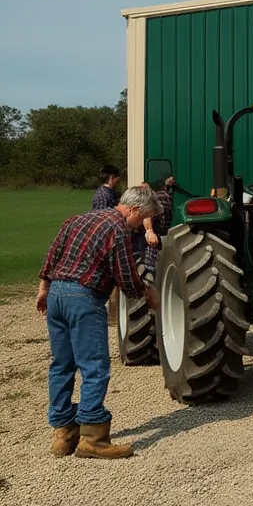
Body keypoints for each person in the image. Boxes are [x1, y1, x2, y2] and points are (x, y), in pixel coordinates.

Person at [35, 186, 162, 459]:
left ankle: (63, 433)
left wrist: (44, 289)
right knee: (94, 367)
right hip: (84, 298)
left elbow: (52, 254)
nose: (140, 226)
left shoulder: (76, 219)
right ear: (134, 210)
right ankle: (93, 438)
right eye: (142, 219)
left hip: (56, 296)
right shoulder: (118, 229)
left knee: (61, 365)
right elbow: (125, 275)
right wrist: (147, 292)